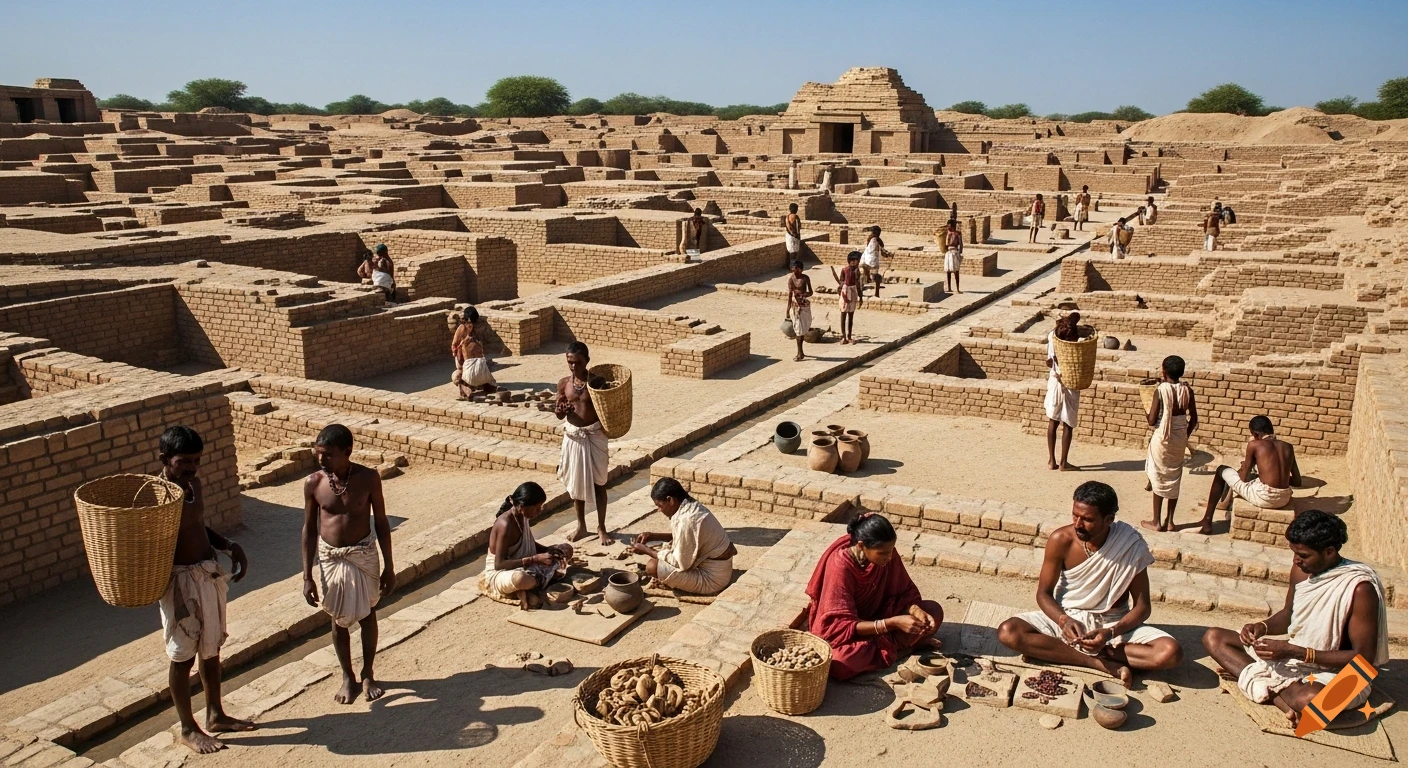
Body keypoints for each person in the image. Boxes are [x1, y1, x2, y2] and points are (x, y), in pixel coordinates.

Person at [1202, 510, 1387, 727]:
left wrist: (1295, 652)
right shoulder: (1301, 570)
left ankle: (1269, 687)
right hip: (1295, 659)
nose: (1296, 560)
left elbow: (1363, 658)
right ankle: (1279, 693)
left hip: (1342, 671)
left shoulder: (1360, 588)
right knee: (1214, 638)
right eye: (1294, 553)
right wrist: (1261, 626)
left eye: (1304, 555)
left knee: (1310, 701)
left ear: (1329, 552)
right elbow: (1289, 614)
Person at [997, 482, 1182, 687]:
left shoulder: (1129, 546)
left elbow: (1143, 607)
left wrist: (1111, 632)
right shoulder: (1061, 540)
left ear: (1108, 519)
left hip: (1112, 624)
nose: (1078, 524)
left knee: (1170, 653)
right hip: (1071, 619)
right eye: (1075, 515)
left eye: (1087, 519)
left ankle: (1066, 651)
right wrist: (1063, 620)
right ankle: (1097, 663)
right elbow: (1043, 593)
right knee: (1008, 631)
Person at [155, 426, 253, 753]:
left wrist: (229, 545)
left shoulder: (193, 486)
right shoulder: (157, 496)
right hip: (179, 582)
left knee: (211, 649)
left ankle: (215, 714)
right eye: (184, 461)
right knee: (183, 655)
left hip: (206, 574)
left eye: (197, 460)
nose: (192, 467)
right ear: (165, 459)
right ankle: (187, 728)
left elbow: (197, 525)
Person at [303, 424, 396, 704]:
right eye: (319, 453)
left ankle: (367, 673)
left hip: (363, 553)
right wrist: (307, 575)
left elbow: (381, 522)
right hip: (331, 558)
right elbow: (309, 529)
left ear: (347, 452)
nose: (322, 460)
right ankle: (347, 676)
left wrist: (389, 566)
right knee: (337, 617)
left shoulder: (368, 479)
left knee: (368, 613)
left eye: (328, 454)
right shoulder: (314, 483)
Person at [805, 514, 944, 680]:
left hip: (882, 616)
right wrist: (893, 623)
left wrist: (915, 610)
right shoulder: (840, 567)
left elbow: (903, 592)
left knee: (934, 610)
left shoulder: (886, 554)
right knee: (839, 663)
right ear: (861, 546)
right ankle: (904, 648)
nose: (889, 557)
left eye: (891, 551)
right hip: (853, 632)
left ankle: (892, 648)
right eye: (883, 553)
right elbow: (839, 626)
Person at [631, 478, 737, 595]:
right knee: (663, 554)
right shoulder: (690, 506)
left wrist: (646, 550)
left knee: (652, 566)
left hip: (713, 579)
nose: (659, 510)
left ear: (670, 500)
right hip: (721, 569)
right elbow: (685, 537)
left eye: (660, 505)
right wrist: (652, 536)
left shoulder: (688, 520)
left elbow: (680, 563)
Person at [1200, 415, 1301, 535]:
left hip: (1264, 497)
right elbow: (1297, 482)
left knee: (1221, 470)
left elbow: (1243, 478)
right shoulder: (1288, 447)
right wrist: (1276, 478)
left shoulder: (1254, 444)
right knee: (1254, 479)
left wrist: (1247, 465)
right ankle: (1226, 508)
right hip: (1284, 499)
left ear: (1256, 434)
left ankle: (1206, 522)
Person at [482, 481, 572, 609]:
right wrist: (535, 559)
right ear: (522, 506)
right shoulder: (505, 525)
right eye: (536, 508)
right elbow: (499, 564)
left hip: (526, 563)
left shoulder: (523, 516)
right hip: (502, 572)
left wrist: (548, 550)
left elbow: (528, 542)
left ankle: (539, 582)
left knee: (565, 549)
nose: (539, 511)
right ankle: (539, 582)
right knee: (521, 579)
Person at [555, 341, 611, 544]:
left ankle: (601, 527)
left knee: (600, 483)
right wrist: (561, 410)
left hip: (594, 436)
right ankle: (581, 526)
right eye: (570, 362)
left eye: (577, 362)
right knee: (576, 483)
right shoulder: (564, 384)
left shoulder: (597, 382)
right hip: (574, 437)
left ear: (587, 361)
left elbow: (607, 408)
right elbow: (558, 412)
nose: (573, 366)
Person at [1143, 356, 1198, 532]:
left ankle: (1156, 521)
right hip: (1179, 439)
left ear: (1163, 371)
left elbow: (1152, 421)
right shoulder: (1187, 390)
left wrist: (1146, 410)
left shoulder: (1160, 391)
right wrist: (1184, 435)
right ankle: (1171, 521)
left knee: (1159, 476)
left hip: (1163, 439)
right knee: (1174, 477)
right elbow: (1194, 418)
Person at [1045, 312, 1081, 471]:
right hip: (1069, 382)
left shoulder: (1052, 336)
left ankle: (1051, 461)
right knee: (1068, 424)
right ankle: (1063, 463)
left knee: (1053, 420)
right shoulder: (1070, 345)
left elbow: (1050, 361)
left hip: (1054, 381)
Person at [452, 305, 498, 399]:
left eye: (471, 322)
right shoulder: (463, 328)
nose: (470, 325)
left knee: (462, 375)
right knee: (460, 375)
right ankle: (474, 385)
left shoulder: (476, 327)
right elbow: (455, 345)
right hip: (466, 360)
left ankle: (471, 386)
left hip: (473, 362)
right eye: (468, 322)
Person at [830, 251, 862, 344]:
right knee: (843, 314)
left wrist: (860, 296)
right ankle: (844, 336)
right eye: (857, 260)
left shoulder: (857, 271)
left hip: (853, 291)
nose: (858, 262)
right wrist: (842, 292)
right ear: (851, 261)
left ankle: (849, 336)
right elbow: (841, 281)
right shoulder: (844, 270)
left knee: (851, 315)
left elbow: (858, 284)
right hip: (845, 291)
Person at [786, 259, 813, 361]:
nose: (795, 271)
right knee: (798, 330)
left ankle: (800, 352)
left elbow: (811, 292)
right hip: (795, 306)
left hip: (804, 305)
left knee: (804, 327)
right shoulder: (791, 279)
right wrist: (788, 309)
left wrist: (804, 295)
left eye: (797, 269)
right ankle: (800, 352)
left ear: (801, 269)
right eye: (794, 268)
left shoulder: (805, 278)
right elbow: (790, 294)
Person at [860, 225, 886, 298]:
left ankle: (860, 292)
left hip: (864, 259)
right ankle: (877, 293)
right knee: (877, 277)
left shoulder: (869, 238)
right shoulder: (877, 239)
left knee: (864, 275)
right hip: (872, 261)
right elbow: (882, 249)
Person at [941, 220, 964, 294]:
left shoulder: (957, 234)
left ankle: (957, 289)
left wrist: (960, 252)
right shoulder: (947, 233)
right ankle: (949, 288)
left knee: (956, 271)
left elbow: (960, 243)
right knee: (948, 271)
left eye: (949, 226)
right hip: (948, 253)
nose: (948, 227)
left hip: (954, 252)